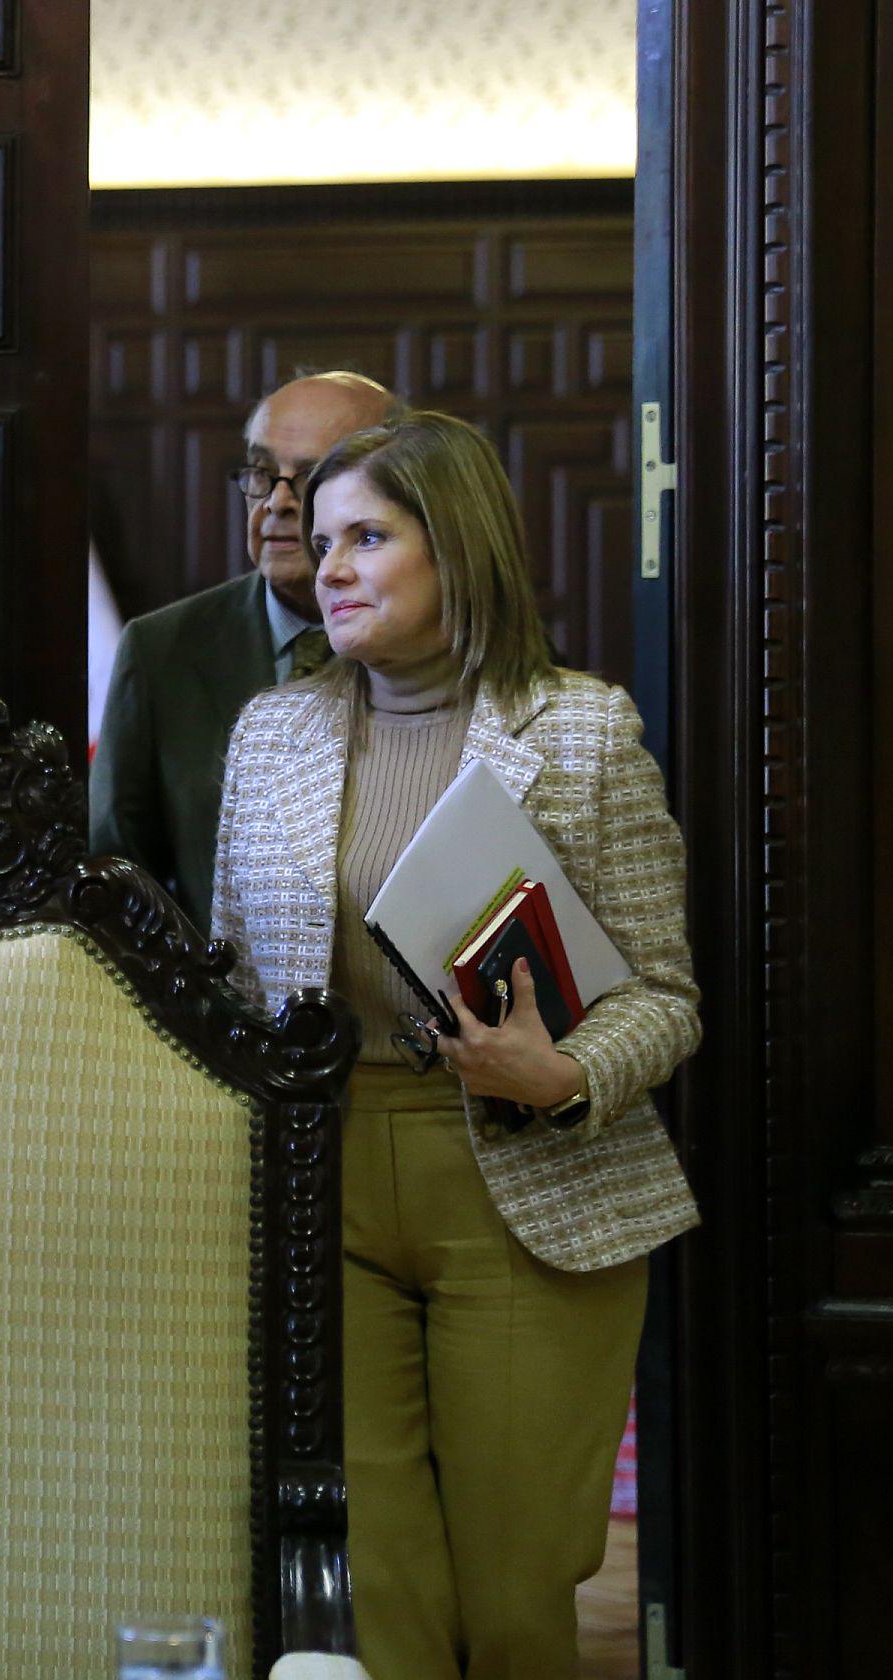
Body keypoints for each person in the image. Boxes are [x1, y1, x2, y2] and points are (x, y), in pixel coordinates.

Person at [207, 412, 700, 1680]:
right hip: (324, 1183)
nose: (331, 566)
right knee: (375, 1584)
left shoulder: (583, 731)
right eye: (321, 542)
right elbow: (230, 986)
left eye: (369, 535)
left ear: (459, 547)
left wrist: (571, 1073)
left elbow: (665, 993)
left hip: (526, 1177)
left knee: (515, 1590)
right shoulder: (271, 734)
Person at [92, 371, 404, 924]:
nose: (278, 502)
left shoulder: (464, 642)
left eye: (312, 477)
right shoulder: (161, 650)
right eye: (263, 474)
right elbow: (116, 878)